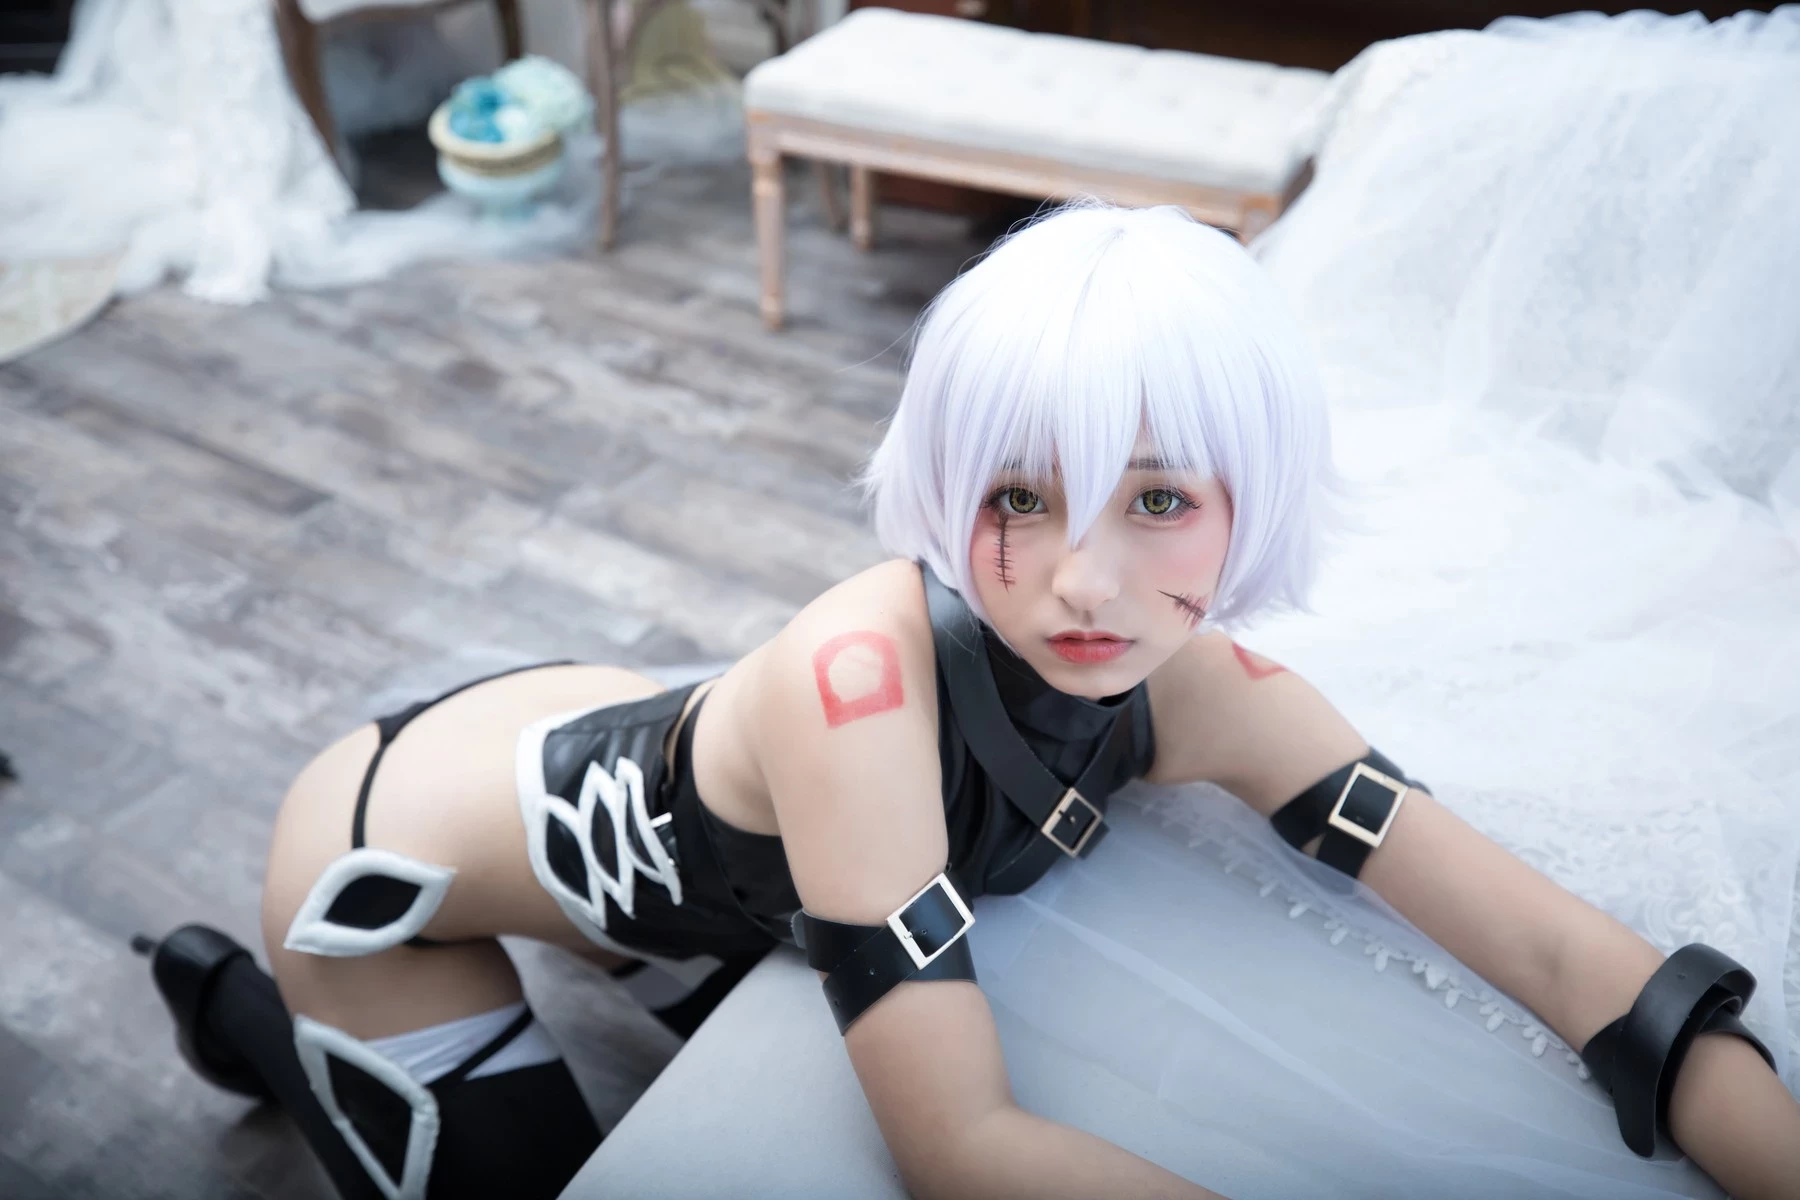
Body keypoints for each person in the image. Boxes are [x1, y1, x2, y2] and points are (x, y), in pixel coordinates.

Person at [140, 203, 1799, 1200]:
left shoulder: (1213, 686)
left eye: (1159, 500)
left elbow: (1566, 959)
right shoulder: (859, 689)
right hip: (382, 874)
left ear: (1250, 499)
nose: (1085, 582)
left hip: (633, 777)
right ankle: (239, 1009)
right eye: (1021, 495)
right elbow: (962, 1149)